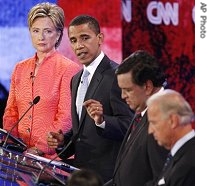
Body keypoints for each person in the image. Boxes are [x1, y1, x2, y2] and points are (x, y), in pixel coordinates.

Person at [47, 14, 134, 182]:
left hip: (107, 176)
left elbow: (128, 125)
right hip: (81, 175)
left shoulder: (117, 75)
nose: (79, 46)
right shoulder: (76, 79)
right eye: (73, 40)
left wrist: (102, 120)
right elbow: (80, 129)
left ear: (100, 38)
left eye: (84, 38)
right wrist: (63, 140)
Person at [3, 2, 80, 158]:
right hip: (19, 156)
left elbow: (66, 118)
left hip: (51, 158)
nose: (41, 37)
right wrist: (13, 144)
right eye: (36, 31)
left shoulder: (69, 69)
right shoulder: (20, 68)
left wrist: (39, 149)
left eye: (48, 31)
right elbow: (11, 111)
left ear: (58, 34)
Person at [104, 50, 169, 186]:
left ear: (147, 86)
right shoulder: (142, 110)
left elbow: (162, 179)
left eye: (128, 90)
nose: (122, 96)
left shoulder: (164, 118)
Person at [146, 89, 195, 186]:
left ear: (173, 121)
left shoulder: (189, 164)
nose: (150, 131)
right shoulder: (181, 154)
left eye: (154, 123)